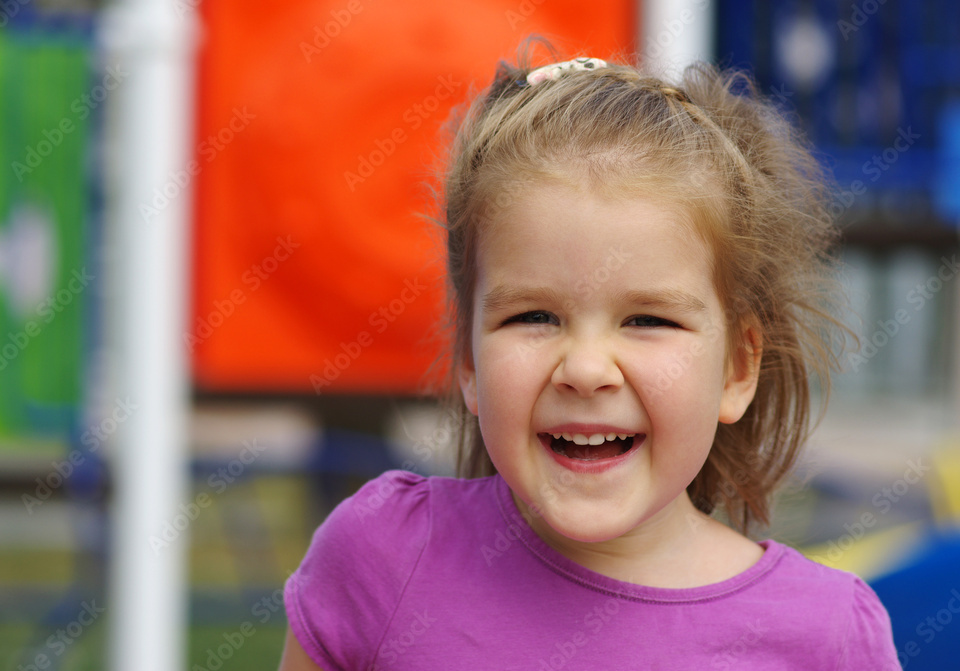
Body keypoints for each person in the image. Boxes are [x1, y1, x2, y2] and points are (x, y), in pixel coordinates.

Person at [278, 49, 901, 670]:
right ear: (469, 361)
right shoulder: (380, 558)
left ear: (737, 369)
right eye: (533, 317)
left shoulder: (826, 637)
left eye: (648, 320)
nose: (584, 369)